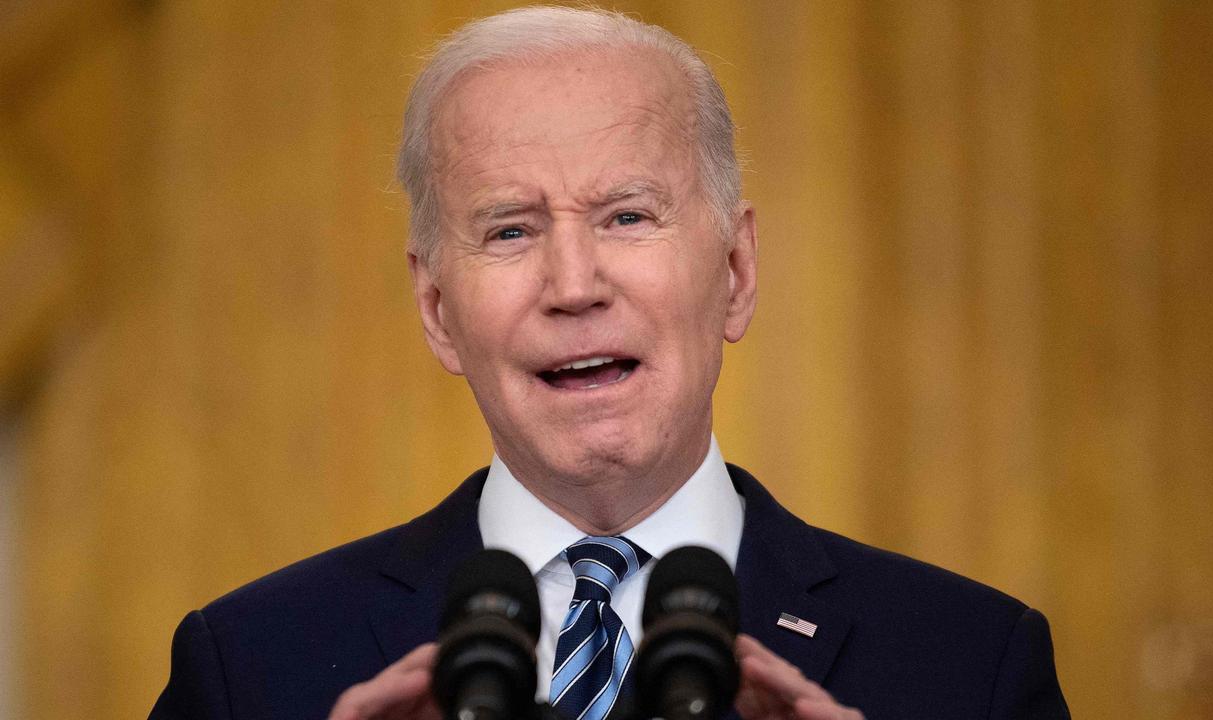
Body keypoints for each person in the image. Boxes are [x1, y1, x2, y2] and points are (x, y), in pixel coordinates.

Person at [150, 7, 1069, 720]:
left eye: (627, 216)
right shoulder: (251, 666)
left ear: (737, 272)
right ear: (436, 310)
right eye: (510, 230)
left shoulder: (970, 660)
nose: (574, 284)